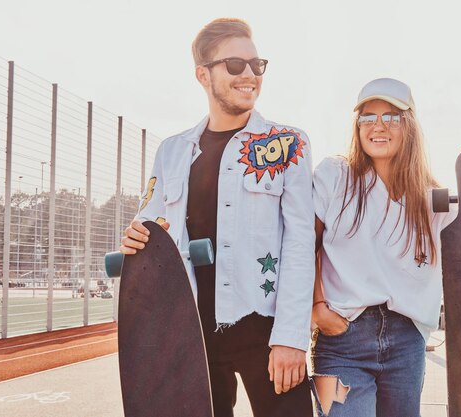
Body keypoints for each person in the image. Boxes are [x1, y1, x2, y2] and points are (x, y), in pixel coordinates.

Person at [120, 18, 315, 417]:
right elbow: (150, 224)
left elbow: (299, 243)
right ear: (203, 75)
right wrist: (135, 235)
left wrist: (292, 337)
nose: (249, 75)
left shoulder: (287, 144)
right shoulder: (172, 151)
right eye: (234, 65)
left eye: (256, 65)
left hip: (264, 327)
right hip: (189, 334)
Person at [310, 78, 461, 417]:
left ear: (409, 125)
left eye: (391, 117)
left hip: (405, 342)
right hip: (342, 339)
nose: (378, 126)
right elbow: (304, 245)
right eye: (368, 117)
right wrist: (317, 308)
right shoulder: (334, 175)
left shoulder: (432, 198)